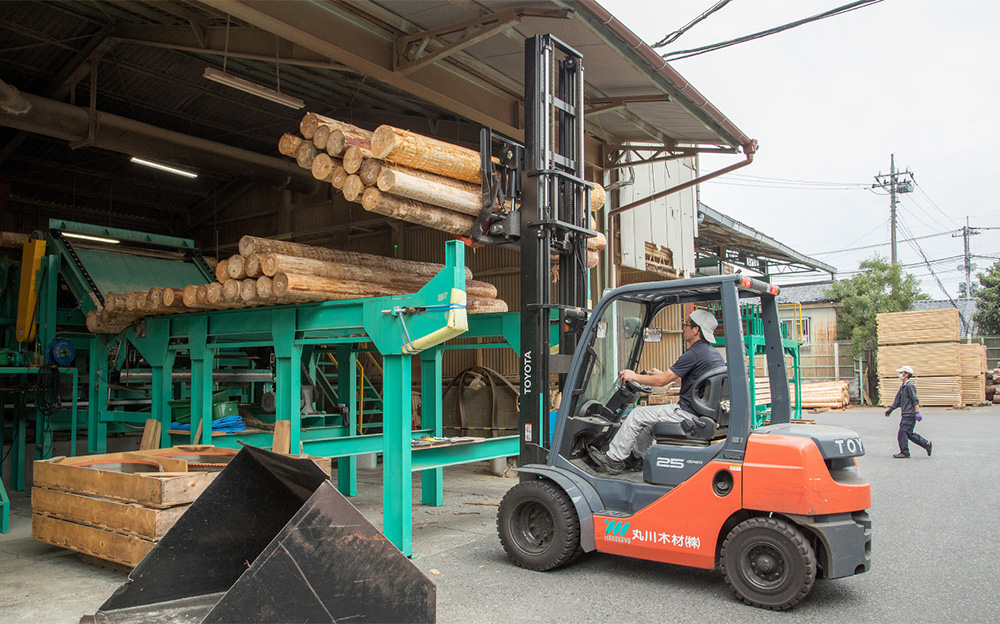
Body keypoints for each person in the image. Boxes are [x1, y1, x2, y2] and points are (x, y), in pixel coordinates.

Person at [589, 309, 725, 474]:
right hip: (698, 413)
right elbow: (693, 382)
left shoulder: (694, 354)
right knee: (648, 424)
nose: (684, 328)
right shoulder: (712, 354)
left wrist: (634, 376)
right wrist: (662, 374)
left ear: (696, 330)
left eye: (687, 325)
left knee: (637, 415)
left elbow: (662, 382)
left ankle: (614, 459)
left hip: (687, 414)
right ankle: (637, 459)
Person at [885, 365, 932, 459]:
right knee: (909, 433)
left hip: (909, 414)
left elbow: (915, 400)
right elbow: (898, 400)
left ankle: (904, 452)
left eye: (901, 373)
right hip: (905, 414)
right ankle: (925, 444)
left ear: (906, 374)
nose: (899, 374)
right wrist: (891, 409)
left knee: (902, 433)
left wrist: (917, 412)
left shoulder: (910, 386)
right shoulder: (903, 386)